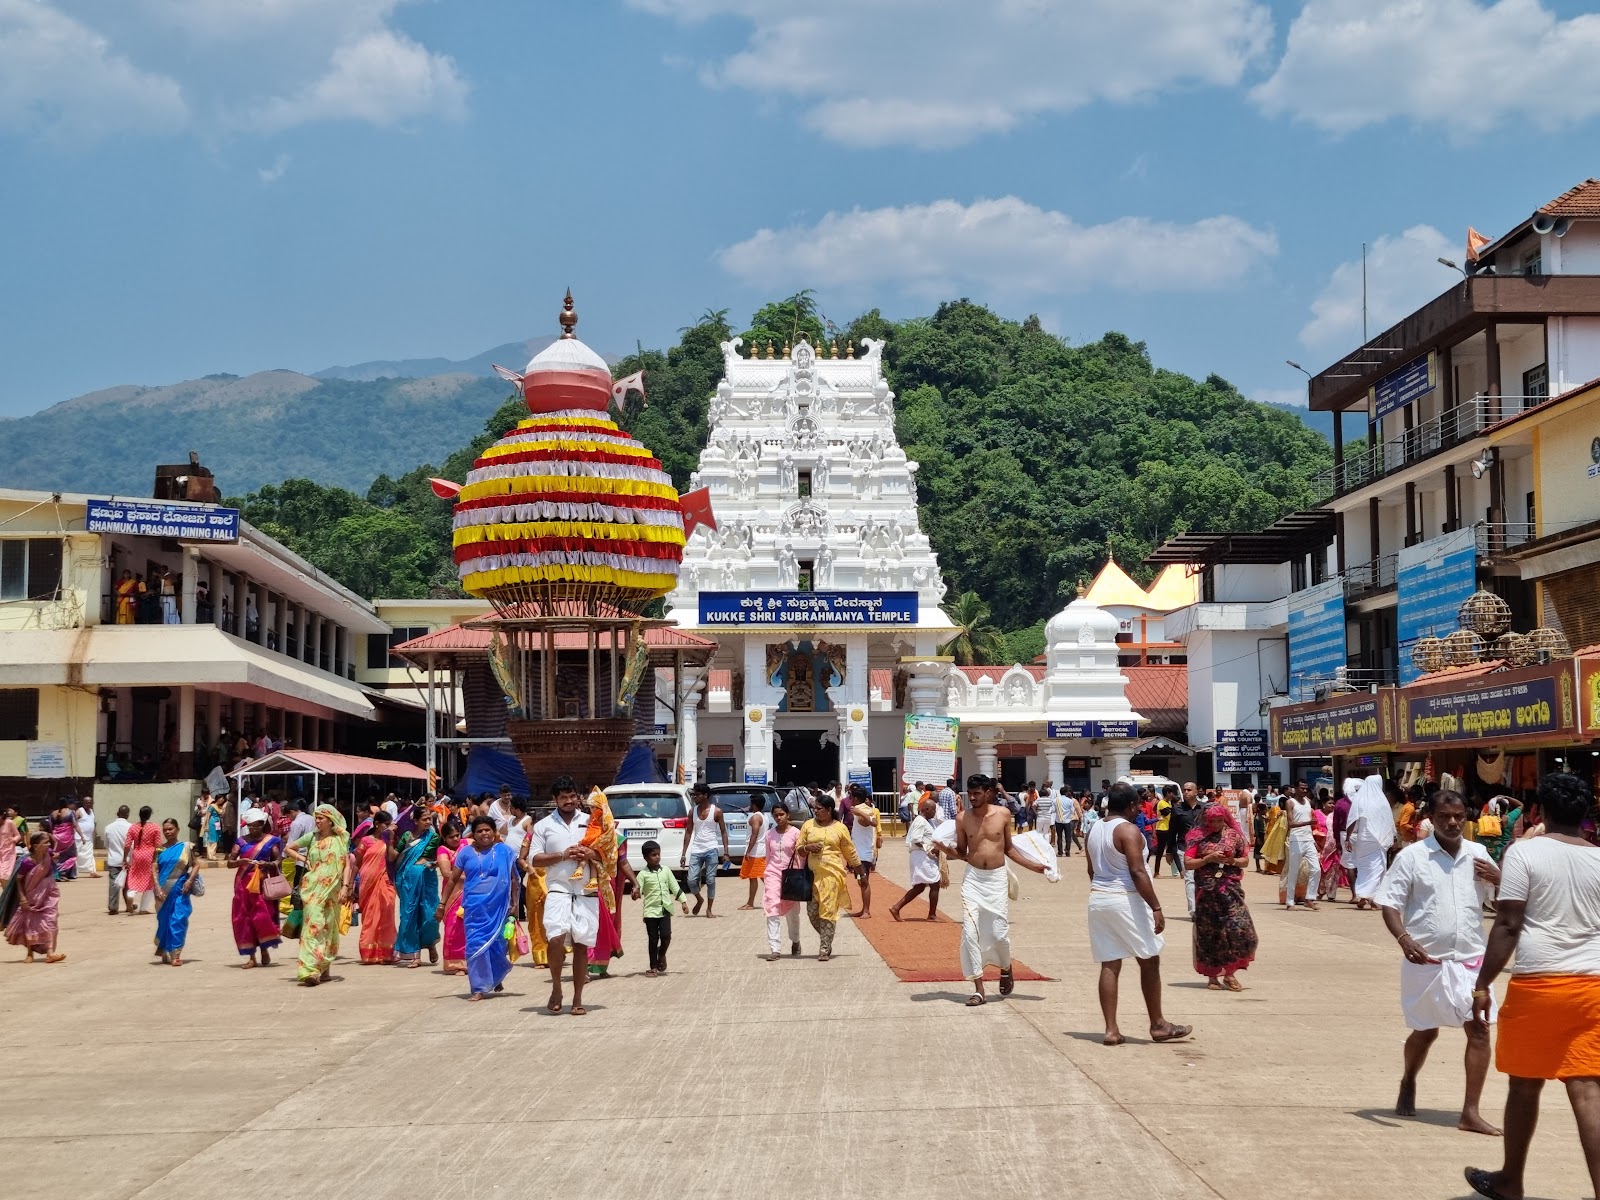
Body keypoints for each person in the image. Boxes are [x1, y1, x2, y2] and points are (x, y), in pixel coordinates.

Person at [1465, 772, 1600, 1200]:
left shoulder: (1525, 853)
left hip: (1540, 983)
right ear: (1586, 815)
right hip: (1593, 986)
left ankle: (1511, 1181)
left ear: (1540, 811)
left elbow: (1508, 924)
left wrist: (1482, 983)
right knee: (1589, 1091)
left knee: (1524, 1084)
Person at [1374, 789, 1501, 1137]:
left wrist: (1499, 879)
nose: (1453, 822)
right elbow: (1389, 903)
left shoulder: (1478, 855)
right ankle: (1409, 1079)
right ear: (1431, 818)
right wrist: (1404, 938)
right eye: (1445, 816)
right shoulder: (1412, 857)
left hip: (1472, 961)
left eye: (1459, 816)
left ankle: (1470, 1112)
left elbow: (1505, 905)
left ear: (1466, 817)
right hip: (1426, 961)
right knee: (1425, 1031)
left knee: (1479, 1029)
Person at [1085, 782, 1191, 1045]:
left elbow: (1091, 871)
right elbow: (1137, 871)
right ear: (1132, 805)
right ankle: (1158, 1024)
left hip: (1099, 898)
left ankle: (1111, 1030)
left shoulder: (1094, 829)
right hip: (1126, 900)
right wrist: (1156, 906)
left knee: (1110, 963)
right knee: (1149, 959)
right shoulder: (1128, 831)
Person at [947, 774, 1047, 1006]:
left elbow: (1009, 849)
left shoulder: (1003, 815)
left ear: (989, 792)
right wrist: (943, 848)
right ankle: (979, 989)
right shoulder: (962, 818)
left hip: (996, 880)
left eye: (977, 793)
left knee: (999, 932)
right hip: (973, 880)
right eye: (969, 793)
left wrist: (1034, 867)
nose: (972, 798)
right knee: (970, 933)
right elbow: (962, 852)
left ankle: (1005, 966)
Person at [528, 776, 601, 1015]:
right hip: (558, 889)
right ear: (555, 800)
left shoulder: (592, 821)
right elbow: (534, 859)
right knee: (556, 938)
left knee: (581, 944)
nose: (568, 801)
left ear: (578, 797)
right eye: (563, 797)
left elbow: (607, 854)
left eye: (572, 796)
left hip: (585, 891)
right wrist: (563, 855)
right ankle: (557, 988)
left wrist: (590, 853)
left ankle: (578, 998)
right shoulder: (543, 826)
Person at [436, 815, 518, 1001]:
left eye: (487, 830)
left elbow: (514, 879)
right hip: (474, 908)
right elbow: (453, 879)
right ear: (473, 834)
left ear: (494, 832)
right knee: (475, 946)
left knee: (497, 945)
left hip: (498, 908)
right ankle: (478, 988)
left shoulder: (504, 851)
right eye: (479, 831)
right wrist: (442, 904)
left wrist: (514, 904)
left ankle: (495, 976)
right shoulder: (465, 853)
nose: (484, 834)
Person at [1184, 800, 1258, 992]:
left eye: (1219, 820)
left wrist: (1232, 860)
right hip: (1207, 892)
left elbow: (1245, 861)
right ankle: (1214, 976)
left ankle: (1230, 971)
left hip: (1230, 890)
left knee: (1239, 929)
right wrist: (1208, 858)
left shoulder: (1234, 835)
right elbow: (1189, 863)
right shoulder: (1197, 836)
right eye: (1212, 821)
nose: (1216, 825)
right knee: (1211, 932)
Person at [284, 804, 351, 986]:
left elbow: (346, 865)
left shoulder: (340, 839)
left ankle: (324, 967)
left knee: (329, 927)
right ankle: (310, 970)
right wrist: (303, 859)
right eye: (317, 817)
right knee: (313, 926)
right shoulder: (311, 837)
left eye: (321, 818)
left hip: (334, 891)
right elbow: (289, 848)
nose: (318, 821)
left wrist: (345, 887)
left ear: (330, 820)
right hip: (312, 888)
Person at [795, 794, 860, 963]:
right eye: (814, 808)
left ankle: (824, 948)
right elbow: (799, 849)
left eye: (819, 808)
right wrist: (808, 847)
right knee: (812, 913)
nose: (815, 811)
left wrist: (861, 872)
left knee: (828, 911)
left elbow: (849, 850)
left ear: (829, 810)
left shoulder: (840, 828)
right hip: (812, 876)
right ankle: (827, 937)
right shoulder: (808, 825)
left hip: (833, 875)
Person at [228, 810, 283, 967]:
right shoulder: (241, 842)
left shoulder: (271, 841)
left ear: (262, 825)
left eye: (256, 826)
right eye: (250, 826)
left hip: (261, 884)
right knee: (244, 919)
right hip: (243, 886)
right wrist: (241, 861)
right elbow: (229, 862)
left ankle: (264, 950)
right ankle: (251, 957)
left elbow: (278, 861)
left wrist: (267, 864)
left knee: (262, 917)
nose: (253, 829)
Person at [4, 832, 65, 962]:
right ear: (36, 846)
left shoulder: (48, 854)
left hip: (49, 895)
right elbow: (19, 880)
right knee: (30, 923)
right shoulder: (27, 862)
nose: (48, 844)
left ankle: (50, 953)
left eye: (48, 842)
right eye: (45, 842)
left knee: (51, 921)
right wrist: (22, 897)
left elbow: (55, 844)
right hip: (31, 895)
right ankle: (30, 953)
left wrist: (48, 835)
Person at [634, 839, 689, 976]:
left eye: (658, 854)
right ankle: (653, 966)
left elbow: (674, 887)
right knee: (653, 939)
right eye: (653, 855)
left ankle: (661, 953)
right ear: (646, 857)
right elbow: (638, 891)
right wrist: (635, 894)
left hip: (665, 909)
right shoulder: (642, 875)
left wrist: (683, 901)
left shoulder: (666, 870)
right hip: (650, 912)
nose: (657, 857)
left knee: (666, 936)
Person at [349, 810, 398, 964]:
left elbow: (392, 858)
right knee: (370, 917)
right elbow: (357, 864)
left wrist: (390, 841)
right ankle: (369, 953)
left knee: (387, 911)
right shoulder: (366, 841)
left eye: (390, 824)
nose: (388, 827)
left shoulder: (390, 841)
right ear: (377, 824)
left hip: (385, 880)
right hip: (367, 882)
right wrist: (350, 884)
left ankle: (386, 952)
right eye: (386, 824)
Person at [394, 810, 441, 969]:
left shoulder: (432, 836)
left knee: (429, 915)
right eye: (425, 819)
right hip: (408, 879)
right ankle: (415, 955)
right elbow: (394, 855)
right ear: (416, 821)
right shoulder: (407, 836)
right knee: (410, 914)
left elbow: (428, 855)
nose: (428, 822)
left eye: (430, 819)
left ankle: (430, 943)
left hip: (427, 877)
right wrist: (389, 838)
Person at [152, 819, 200, 966]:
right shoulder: (160, 849)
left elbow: (196, 865)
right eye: (165, 829)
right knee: (165, 921)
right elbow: (154, 868)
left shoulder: (186, 847)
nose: (168, 832)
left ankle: (175, 954)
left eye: (171, 829)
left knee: (178, 919)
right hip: (163, 891)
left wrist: (190, 880)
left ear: (178, 830)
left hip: (181, 889)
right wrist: (157, 887)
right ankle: (165, 950)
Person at [1346, 774, 1397, 910]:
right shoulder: (1382, 801)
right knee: (1377, 868)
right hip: (1378, 839)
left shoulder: (1359, 800)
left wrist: (1347, 838)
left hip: (1363, 837)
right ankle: (1371, 898)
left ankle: (1363, 895)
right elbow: (1389, 822)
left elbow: (1352, 820)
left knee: (1364, 867)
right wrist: (1393, 837)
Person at [679, 782, 730, 917]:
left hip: (711, 849)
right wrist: (683, 853)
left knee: (710, 880)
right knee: (691, 880)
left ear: (705, 795)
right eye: (694, 794)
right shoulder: (692, 811)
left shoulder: (717, 811)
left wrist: (726, 852)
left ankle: (709, 909)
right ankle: (699, 899)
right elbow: (688, 832)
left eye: (697, 794)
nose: (694, 797)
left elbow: (724, 832)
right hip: (696, 849)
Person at [761, 804, 804, 958]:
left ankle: (796, 940)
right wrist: (765, 875)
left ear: (788, 815)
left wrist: (800, 877)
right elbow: (768, 857)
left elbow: (801, 857)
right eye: (776, 815)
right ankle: (775, 948)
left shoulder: (796, 833)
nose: (779, 818)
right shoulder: (769, 835)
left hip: (791, 876)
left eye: (781, 814)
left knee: (792, 912)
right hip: (773, 874)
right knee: (771, 908)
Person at [892, 795, 944, 922]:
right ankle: (931, 915)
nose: (934, 813)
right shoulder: (920, 821)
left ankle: (896, 907)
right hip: (922, 856)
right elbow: (916, 839)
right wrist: (928, 849)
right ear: (926, 809)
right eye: (933, 810)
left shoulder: (927, 821)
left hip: (923, 856)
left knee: (920, 887)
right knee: (935, 884)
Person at [1282, 782, 1321, 910]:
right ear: (1296, 789)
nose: (1304, 790)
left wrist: (1313, 838)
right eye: (1302, 788)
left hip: (1308, 839)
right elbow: (1291, 823)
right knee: (1294, 871)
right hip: (1296, 840)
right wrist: (1307, 822)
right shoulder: (1290, 802)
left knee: (1316, 869)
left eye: (1306, 788)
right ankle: (1290, 902)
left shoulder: (1308, 801)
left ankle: (1309, 898)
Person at [436, 821, 467, 975]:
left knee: (469, 927)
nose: (455, 839)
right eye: (451, 837)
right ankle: (455, 964)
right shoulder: (443, 850)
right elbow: (447, 873)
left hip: (470, 892)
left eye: (457, 835)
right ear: (444, 837)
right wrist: (470, 876)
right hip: (453, 893)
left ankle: (470, 961)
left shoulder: (467, 844)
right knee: (454, 927)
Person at [1170, 782, 1205, 916]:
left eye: (1189, 790)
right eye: (1184, 790)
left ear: (1196, 792)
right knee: (1190, 879)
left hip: (1203, 849)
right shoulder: (1177, 809)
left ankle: (1203, 908)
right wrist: (1170, 851)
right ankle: (1194, 911)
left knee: (1202, 879)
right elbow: (1172, 832)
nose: (1186, 792)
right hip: (1184, 849)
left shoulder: (1204, 808)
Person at [847, 784, 880, 919]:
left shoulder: (862, 810)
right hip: (860, 851)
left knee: (864, 881)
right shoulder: (861, 809)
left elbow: (873, 822)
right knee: (861, 881)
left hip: (863, 853)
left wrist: (859, 813)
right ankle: (864, 909)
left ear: (855, 798)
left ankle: (866, 910)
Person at [122, 806, 162, 914]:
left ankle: (131, 895)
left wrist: (125, 858)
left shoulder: (133, 827)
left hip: (137, 855)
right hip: (150, 856)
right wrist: (159, 858)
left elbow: (127, 844)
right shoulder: (155, 827)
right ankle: (143, 909)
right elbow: (158, 846)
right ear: (150, 815)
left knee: (135, 877)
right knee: (149, 882)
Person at [738, 795, 767, 910]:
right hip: (760, 850)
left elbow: (754, 835)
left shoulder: (756, 817)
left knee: (757, 877)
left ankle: (751, 903)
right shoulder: (764, 816)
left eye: (751, 804)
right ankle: (750, 902)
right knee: (758, 877)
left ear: (754, 804)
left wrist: (748, 851)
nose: (749, 806)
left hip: (756, 852)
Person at [101, 804, 131, 914]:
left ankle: (113, 907)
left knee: (114, 883)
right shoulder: (130, 827)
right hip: (127, 860)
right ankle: (129, 905)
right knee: (127, 885)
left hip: (113, 860)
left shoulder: (109, 827)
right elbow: (132, 845)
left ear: (117, 814)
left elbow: (107, 844)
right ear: (127, 815)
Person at [72, 796, 98, 879]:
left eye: (90, 802)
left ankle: (92, 871)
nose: (89, 804)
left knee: (90, 855)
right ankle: (74, 872)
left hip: (89, 838)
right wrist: (79, 835)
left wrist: (94, 830)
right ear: (83, 803)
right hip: (79, 838)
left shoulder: (92, 811)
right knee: (77, 855)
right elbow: (74, 823)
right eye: (87, 802)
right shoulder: (79, 811)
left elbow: (92, 822)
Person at [0, 805, 18, 887]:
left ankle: (6, 895)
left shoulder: (9, 823)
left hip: (8, 851)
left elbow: (18, 835)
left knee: (5, 875)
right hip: (0, 853)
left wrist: (13, 840)